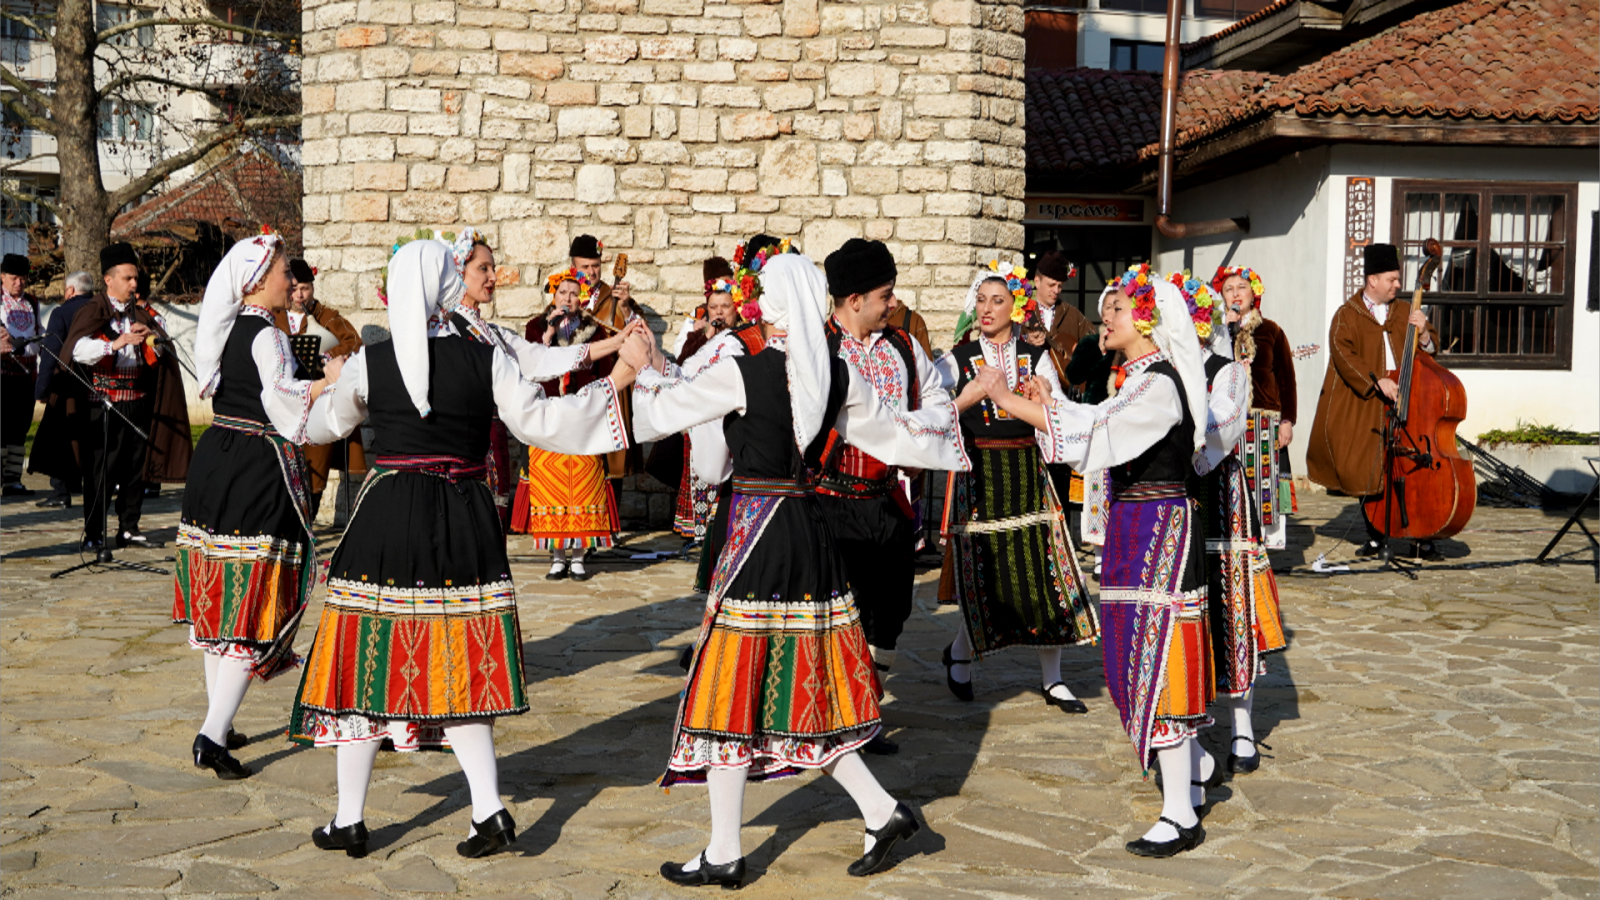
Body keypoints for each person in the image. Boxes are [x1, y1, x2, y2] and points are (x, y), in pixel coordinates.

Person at [287, 240, 647, 860]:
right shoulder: (486, 357)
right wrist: (617, 380)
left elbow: (323, 427)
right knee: (459, 659)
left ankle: (351, 818)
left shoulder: (372, 362)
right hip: (464, 515)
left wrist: (325, 388)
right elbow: (542, 421)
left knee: (371, 655)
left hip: (390, 516)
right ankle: (487, 809)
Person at [630, 253, 969, 887]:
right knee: (798, 683)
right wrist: (960, 408)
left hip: (758, 535)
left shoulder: (744, 370)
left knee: (731, 685)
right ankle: (880, 811)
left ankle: (726, 849)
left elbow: (676, 431)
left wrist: (643, 367)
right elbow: (895, 434)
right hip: (809, 534)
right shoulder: (835, 372)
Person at [984, 266, 1216, 857]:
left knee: (1158, 656)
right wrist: (1051, 403)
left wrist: (1009, 400)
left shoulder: (1158, 384)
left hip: (1160, 527)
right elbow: (1097, 425)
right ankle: (1192, 772)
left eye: (1116, 309)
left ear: (1147, 320)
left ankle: (1180, 812)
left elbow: (1100, 432)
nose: (1104, 318)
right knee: (1141, 651)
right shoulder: (1138, 379)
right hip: (1139, 526)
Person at [173, 233, 342, 779]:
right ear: (256, 281)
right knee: (251, 601)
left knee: (222, 600)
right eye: (283, 273)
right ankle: (211, 736)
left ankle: (219, 720)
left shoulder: (226, 328)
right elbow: (282, 399)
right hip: (254, 468)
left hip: (217, 459)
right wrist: (326, 383)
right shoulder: (267, 335)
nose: (290, 282)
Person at [935, 264, 1098, 710]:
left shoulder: (1035, 355)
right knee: (988, 574)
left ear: (1015, 307)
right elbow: (933, 407)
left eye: (997, 301)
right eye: (981, 301)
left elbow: (1057, 411)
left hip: (1027, 470)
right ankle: (961, 654)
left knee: (1043, 570)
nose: (986, 309)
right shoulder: (958, 358)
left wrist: (1043, 395)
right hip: (980, 472)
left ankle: (1053, 678)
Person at [819, 239, 955, 753]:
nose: (893, 303)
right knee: (839, 612)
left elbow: (937, 398)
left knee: (891, 611)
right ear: (855, 300)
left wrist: (916, 440)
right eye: (885, 294)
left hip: (889, 498)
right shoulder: (818, 348)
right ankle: (837, 714)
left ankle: (865, 710)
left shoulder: (903, 346)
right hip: (830, 500)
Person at [434, 230, 633, 528]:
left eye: (493, 268)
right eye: (483, 268)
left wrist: (617, 342)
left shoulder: (491, 332)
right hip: (463, 448)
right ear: (458, 271)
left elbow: (539, 358)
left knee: (490, 527)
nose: (493, 277)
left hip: (492, 442)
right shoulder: (446, 329)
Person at [1185, 272, 1287, 777]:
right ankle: (1185, 724)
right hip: (1177, 497)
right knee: (1186, 609)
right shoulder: (1159, 372)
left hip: (1220, 496)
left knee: (1232, 605)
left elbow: (1223, 427)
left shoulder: (1228, 371)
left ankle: (1242, 727)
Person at [1307, 243, 1440, 559]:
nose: (1397, 285)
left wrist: (1423, 333)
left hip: (1408, 400)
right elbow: (1342, 354)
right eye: (1392, 279)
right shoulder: (1347, 315)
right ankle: (1377, 534)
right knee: (1370, 465)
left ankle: (1420, 535)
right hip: (1367, 402)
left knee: (1413, 465)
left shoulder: (1406, 311)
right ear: (1373, 280)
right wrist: (1375, 381)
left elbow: (1431, 350)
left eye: (1398, 279)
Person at [65, 242, 192, 551]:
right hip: (104, 404)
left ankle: (129, 527)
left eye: (135, 278)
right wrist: (115, 343)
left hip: (138, 399)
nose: (134, 284)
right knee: (102, 471)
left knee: (136, 468)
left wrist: (154, 339)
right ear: (108, 280)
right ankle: (94, 532)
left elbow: (161, 353)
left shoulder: (142, 314)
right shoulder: (93, 311)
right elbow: (77, 350)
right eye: (128, 278)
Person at [509, 268, 622, 580]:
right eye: (563, 293)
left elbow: (604, 373)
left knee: (583, 488)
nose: (568, 299)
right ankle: (557, 556)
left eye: (574, 294)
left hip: (582, 416)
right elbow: (529, 367)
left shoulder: (594, 331)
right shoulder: (535, 327)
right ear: (553, 296)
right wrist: (548, 335)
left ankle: (579, 556)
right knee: (552, 488)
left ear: (581, 298)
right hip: (547, 416)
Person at [1215, 265, 1298, 551]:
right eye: (1229, 289)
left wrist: (1287, 420)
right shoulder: (1216, 332)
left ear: (1254, 294)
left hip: (1264, 419)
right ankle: (1235, 539)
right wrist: (1225, 331)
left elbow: (1286, 379)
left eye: (1242, 288)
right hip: (1227, 418)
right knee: (1231, 480)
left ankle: (1267, 543)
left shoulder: (1271, 331)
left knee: (1266, 481)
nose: (1235, 293)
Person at [275, 258, 365, 521]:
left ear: (312, 288)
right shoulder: (274, 316)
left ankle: (308, 521)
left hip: (318, 400)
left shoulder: (327, 317)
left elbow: (354, 342)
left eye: (305, 288)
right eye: (294, 289)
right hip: (283, 401)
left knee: (315, 463)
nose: (299, 295)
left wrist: (324, 355)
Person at [670, 257, 741, 545]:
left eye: (725, 306)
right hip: (702, 416)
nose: (719, 312)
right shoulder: (697, 334)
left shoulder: (745, 334)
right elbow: (681, 363)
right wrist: (706, 334)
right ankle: (702, 534)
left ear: (736, 307)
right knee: (702, 473)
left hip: (733, 417)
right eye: (714, 307)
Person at [569, 234, 642, 484]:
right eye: (585, 266)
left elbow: (639, 332)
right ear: (573, 267)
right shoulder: (566, 293)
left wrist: (625, 307)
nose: (591, 272)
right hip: (578, 386)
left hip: (611, 382)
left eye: (596, 266)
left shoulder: (615, 296)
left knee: (610, 463)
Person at [1066, 285, 1123, 578]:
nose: (1112, 313)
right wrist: (1101, 350)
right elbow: (1073, 375)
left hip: (1125, 427)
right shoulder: (1091, 342)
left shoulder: (1133, 343)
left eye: (1118, 307)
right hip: (1097, 426)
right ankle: (1100, 559)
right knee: (1098, 493)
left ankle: (1121, 553)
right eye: (1108, 307)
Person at [29, 270, 97, 507]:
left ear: (70, 290)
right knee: (91, 435)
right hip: (98, 383)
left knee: (60, 435)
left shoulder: (62, 313)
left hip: (68, 383)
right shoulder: (101, 309)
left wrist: (42, 389)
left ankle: (61, 491)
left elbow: (51, 353)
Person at [1, 253, 41, 496]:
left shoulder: (32, 302)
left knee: (20, 428)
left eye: (23, 278)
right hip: (2, 374)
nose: (19, 283)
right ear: (2, 277)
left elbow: (38, 330)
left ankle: (12, 480)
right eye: (14, 278)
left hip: (26, 376)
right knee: (1, 429)